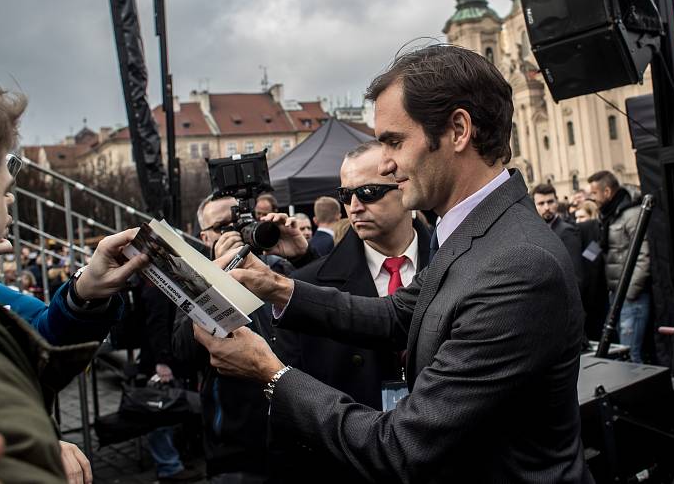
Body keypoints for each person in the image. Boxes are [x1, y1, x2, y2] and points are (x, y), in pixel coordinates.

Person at [193, 45, 590, 483]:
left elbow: (403, 446)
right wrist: (277, 287)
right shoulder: (472, 230)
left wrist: (269, 373)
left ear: (458, 130)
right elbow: (398, 314)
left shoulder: (518, 266)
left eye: (394, 142)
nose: (385, 164)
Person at [0, 60, 149, 483]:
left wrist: (84, 293)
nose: (11, 207)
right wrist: (29, 446)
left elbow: (39, 343)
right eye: (5, 191)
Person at [293, 140, 432, 411]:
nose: (354, 207)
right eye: (346, 195)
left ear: (405, 186)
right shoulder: (306, 287)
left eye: (368, 192)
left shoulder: (455, 263)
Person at [175, 195, 306, 482]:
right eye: (223, 226)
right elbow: (182, 352)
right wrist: (214, 278)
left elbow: (326, 319)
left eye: (240, 223)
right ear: (205, 236)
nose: (235, 233)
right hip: (237, 448)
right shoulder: (192, 280)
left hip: (298, 435)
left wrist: (301, 257)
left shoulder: (280, 269)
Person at [588, 170, 651, 363]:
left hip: (631, 297)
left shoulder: (631, 215)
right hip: (616, 295)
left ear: (607, 192)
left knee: (631, 353)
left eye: (594, 193)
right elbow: (601, 247)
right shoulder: (608, 216)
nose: (592, 198)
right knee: (623, 351)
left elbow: (643, 256)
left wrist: (630, 293)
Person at [532, 183, 583, 287]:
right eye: (541, 203)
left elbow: (576, 275)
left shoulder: (566, 231)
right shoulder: (535, 230)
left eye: (550, 202)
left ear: (557, 202)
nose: (546, 207)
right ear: (534, 205)